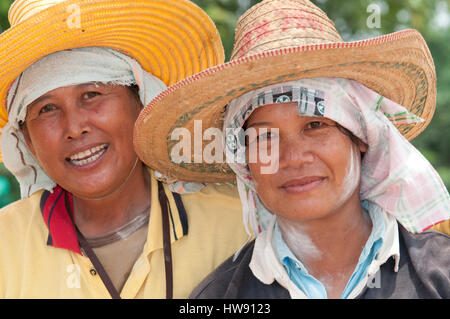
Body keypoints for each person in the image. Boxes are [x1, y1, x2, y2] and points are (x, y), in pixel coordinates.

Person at [134, 0, 450, 299]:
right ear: (244, 163)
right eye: (264, 138)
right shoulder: (220, 295)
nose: (293, 157)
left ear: (362, 135)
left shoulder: (439, 274)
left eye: (315, 126)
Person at [0, 0, 249, 298]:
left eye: (92, 94)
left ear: (143, 104)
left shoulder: (241, 226)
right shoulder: (7, 246)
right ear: (27, 140)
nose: (74, 127)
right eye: (47, 108)